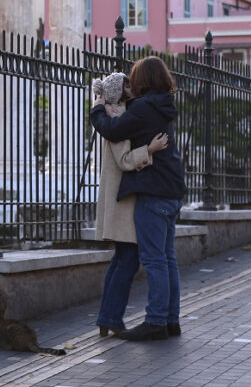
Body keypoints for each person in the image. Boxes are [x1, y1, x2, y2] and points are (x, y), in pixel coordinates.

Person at [90, 56, 185, 341]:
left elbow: (112, 130)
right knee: (163, 259)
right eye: (125, 84)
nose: (131, 86)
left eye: (134, 80)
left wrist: (96, 109)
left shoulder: (142, 108)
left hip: (150, 192)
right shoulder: (162, 105)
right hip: (170, 190)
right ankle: (169, 320)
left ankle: (156, 321)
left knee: (152, 261)